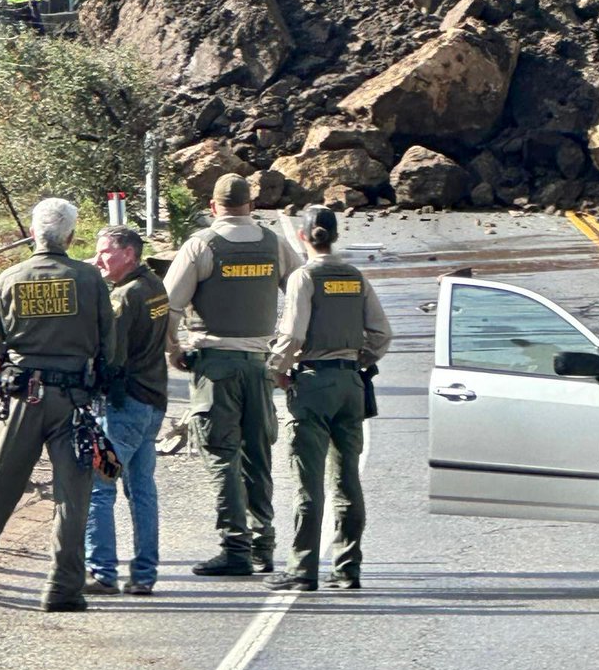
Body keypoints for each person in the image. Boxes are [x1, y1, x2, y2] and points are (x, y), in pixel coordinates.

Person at [0, 198, 114, 611]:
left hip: (22, 395)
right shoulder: (90, 279)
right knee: (72, 498)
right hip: (74, 400)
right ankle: (62, 588)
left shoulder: (9, 278)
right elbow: (108, 346)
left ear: (32, 234)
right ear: (70, 236)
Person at [165, 173, 299, 577]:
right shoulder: (274, 243)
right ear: (251, 206)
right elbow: (301, 291)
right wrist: (290, 350)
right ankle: (264, 545)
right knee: (258, 456)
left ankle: (235, 546)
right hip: (260, 366)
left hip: (215, 366)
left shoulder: (201, 246)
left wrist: (174, 350)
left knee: (222, 456)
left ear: (213, 207)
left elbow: (169, 306)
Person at [264, 205, 392, 593]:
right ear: (335, 236)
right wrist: (359, 358)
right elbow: (381, 334)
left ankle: (303, 568)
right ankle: (348, 567)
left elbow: (292, 335)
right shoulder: (355, 277)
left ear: (302, 237)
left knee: (308, 481)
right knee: (347, 479)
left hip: (314, 385)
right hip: (351, 385)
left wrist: (277, 370)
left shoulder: (304, 277)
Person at [85, 227, 169, 597]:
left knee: (99, 487)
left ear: (129, 255)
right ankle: (144, 573)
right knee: (141, 490)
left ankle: (102, 571)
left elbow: (112, 355)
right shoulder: (154, 286)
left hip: (125, 406)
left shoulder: (126, 297)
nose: (98, 258)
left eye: (105, 252)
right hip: (152, 401)